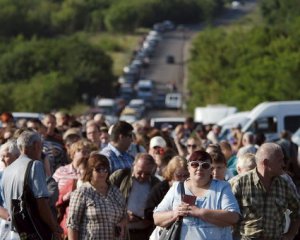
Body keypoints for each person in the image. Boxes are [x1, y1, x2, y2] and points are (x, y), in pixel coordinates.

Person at [153, 150, 240, 240]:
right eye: (195, 164)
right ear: (188, 168)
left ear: (211, 170)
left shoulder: (222, 187)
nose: (199, 168)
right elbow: (157, 218)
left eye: (205, 165)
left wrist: (199, 212)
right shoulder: (177, 187)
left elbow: (233, 217)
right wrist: (176, 213)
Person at [231, 143, 300, 240]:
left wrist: (290, 235)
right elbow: (226, 216)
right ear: (266, 163)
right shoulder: (239, 183)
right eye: (280, 161)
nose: (284, 164)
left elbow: (297, 212)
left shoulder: (284, 185)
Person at [1, 130, 62, 239]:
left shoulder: (8, 170)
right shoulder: (34, 165)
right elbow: (41, 203)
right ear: (36, 145)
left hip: (14, 232)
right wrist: (54, 227)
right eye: (41, 146)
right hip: (32, 231)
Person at [67, 153, 127, 240]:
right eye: (98, 169)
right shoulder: (82, 192)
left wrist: (122, 223)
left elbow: (125, 215)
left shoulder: (116, 192)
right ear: (90, 170)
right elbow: (72, 224)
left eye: (105, 169)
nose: (102, 172)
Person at [110, 153, 160, 240]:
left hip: (145, 233)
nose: (143, 176)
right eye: (139, 172)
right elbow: (104, 199)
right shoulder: (121, 176)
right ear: (134, 165)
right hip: (120, 232)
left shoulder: (156, 184)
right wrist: (123, 214)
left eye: (147, 174)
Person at [144, 156, 189, 225]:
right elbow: (148, 212)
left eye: (185, 175)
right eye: (178, 176)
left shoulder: (189, 187)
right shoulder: (160, 188)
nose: (182, 179)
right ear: (171, 173)